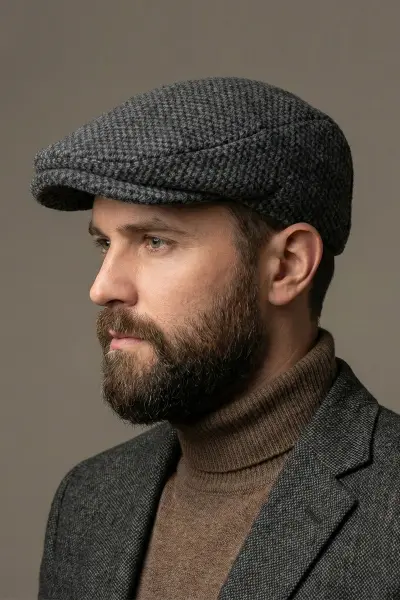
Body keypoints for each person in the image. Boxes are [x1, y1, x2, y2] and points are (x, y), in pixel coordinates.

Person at [31, 77, 400, 600]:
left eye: (154, 241)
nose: (102, 288)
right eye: (104, 244)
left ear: (287, 266)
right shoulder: (88, 501)